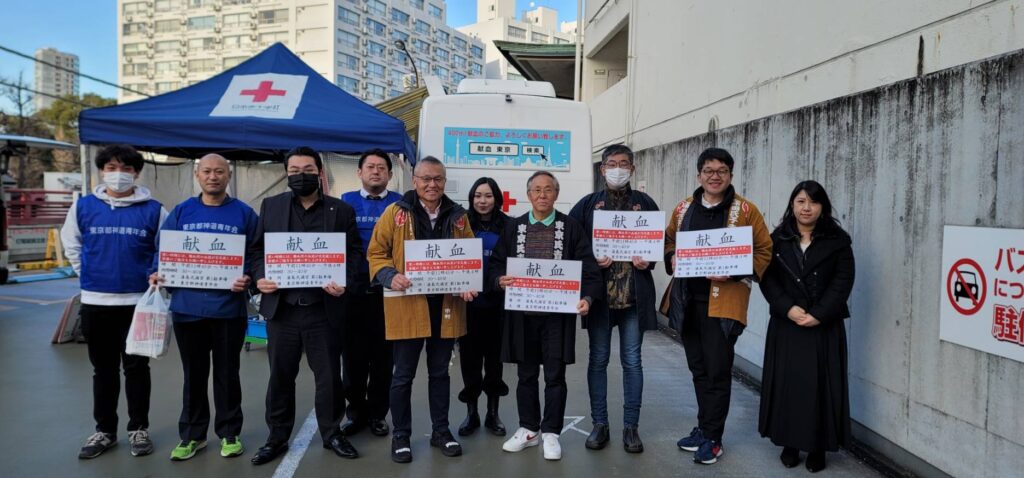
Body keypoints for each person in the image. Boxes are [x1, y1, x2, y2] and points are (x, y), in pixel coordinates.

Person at [248, 147, 364, 465]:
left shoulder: (341, 210)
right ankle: (277, 437)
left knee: (329, 377)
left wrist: (345, 281)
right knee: (280, 376)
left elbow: (355, 253)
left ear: (320, 172)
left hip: (322, 309)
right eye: (295, 171)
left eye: (308, 170)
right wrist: (260, 277)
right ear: (287, 174)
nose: (302, 176)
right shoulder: (271, 206)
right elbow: (257, 251)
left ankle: (332, 433)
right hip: (282, 310)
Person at [661, 147, 773, 465]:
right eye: (708, 171)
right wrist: (673, 256)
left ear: (730, 175)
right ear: (699, 175)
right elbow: (669, 240)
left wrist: (734, 270)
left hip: (723, 305)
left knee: (718, 371)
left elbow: (765, 251)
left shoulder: (746, 211)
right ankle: (704, 427)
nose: (715, 176)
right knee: (698, 368)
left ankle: (713, 437)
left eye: (721, 171)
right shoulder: (684, 208)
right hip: (688, 301)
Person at [148, 154, 259, 461]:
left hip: (229, 311)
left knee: (228, 374)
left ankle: (229, 433)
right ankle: (192, 435)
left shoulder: (244, 213)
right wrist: (158, 271)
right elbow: (163, 250)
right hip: (188, 309)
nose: (213, 176)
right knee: (193, 376)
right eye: (207, 171)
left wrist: (248, 277)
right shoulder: (182, 212)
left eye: (219, 171)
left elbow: (256, 252)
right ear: (197, 175)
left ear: (229, 175)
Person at [367, 156, 477, 463]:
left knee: (440, 373)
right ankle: (401, 435)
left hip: (446, 305)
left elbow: (469, 255)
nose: (432, 185)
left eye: (438, 179)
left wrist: (468, 282)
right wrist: (390, 275)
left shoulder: (458, 216)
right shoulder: (395, 212)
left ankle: (441, 431)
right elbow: (376, 253)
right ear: (414, 181)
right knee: (403, 375)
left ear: (444, 181)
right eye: (426, 179)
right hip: (408, 303)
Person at [61, 144, 168, 459]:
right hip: (96, 303)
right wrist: (90, 275)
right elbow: (71, 244)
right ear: (101, 171)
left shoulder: (154, 210)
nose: (118, 174)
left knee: (137, 368)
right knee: (103, 370)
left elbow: (164, 249)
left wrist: (154, 274)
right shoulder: (83, 207)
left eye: (125, 168)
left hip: (139, 304)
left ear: (136, 173)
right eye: (111, 167)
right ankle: (105, 431)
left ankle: (138, 429)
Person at [491, 171, 603, 461]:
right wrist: (499, 279)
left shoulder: (571, 228)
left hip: (557, 316)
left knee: (555, 375)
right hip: (522, 314)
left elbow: (589, 269)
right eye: (537, 190)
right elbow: (496, 264)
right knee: (526, 375)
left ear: (556, 194)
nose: (542, 195)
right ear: (529, 195)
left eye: (548, 189)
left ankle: (551, 432)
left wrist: (587, 298)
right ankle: (529, 429)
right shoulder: (514, 227)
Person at [758, 180, 855, 473]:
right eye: (801, 201)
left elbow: (843, 281)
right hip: (786, 324)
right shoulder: (777, 239)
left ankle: (817, 447)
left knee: (821, 388)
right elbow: (767, 279)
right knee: (788, 385)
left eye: (813, 202)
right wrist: (788, 308)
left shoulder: (838, 241)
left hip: (823, 325)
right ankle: (789, 443)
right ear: (792, 205)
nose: (806, 208)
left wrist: (819, 314)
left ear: (823, 206)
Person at [568, 144, 659, 453]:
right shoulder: (587, 205)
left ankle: (631, 427)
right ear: (602, 168)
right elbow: (572, 245)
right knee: (598, 360)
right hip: (600, 300)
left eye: (623, 164)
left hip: (634, 299)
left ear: (632, 168)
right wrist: (591, 261)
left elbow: (656, 244)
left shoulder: (645, 204)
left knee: (632, 361)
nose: (617, 169)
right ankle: (600, 423)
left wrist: (648, 261)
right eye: (611, 164)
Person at [339, 149, 402, 438]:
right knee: (352, 358)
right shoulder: (344, 203)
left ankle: (378, 415)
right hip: (352, 293)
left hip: (387, 293)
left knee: (383, 359)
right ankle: (355, 413)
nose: (376, 172)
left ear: (390, 174)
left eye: (381, 168)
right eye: (370, 167)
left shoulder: (401, 204)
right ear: (359, 172)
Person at [457, 177, 510, 437]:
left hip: (499, 305)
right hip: (468, 304)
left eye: (488, 196)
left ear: (497, 198)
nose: (483, 201)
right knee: (470, 361)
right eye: (478, 195)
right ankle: (472, 414)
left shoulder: (509, 226)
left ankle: (492, 413)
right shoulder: (460, 223)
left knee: (495, 362)